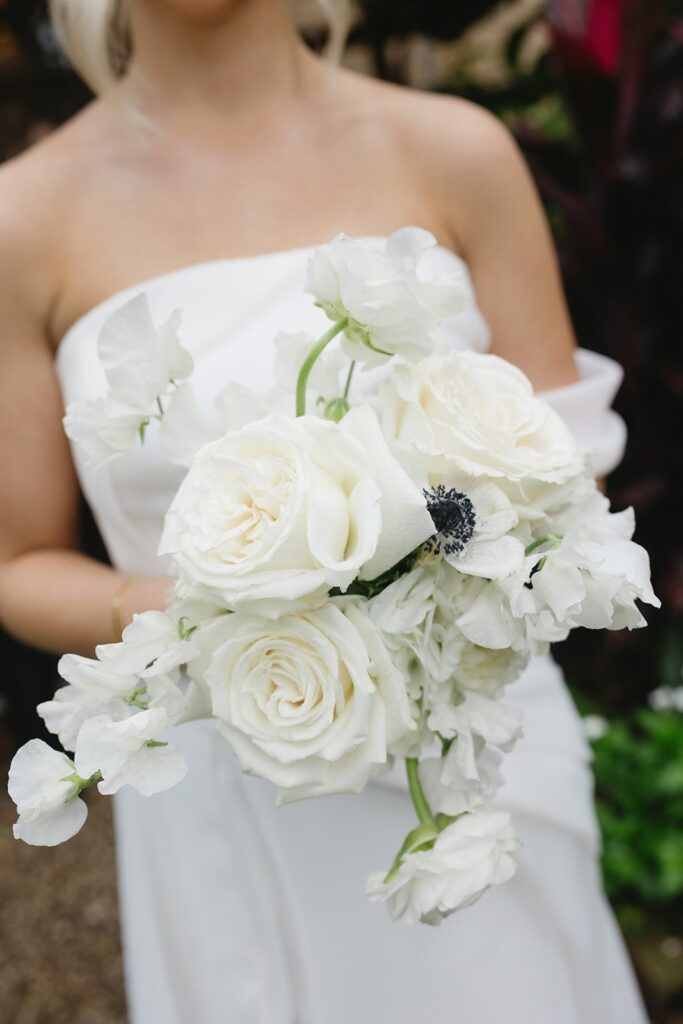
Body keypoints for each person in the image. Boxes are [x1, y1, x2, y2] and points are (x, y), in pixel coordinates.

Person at [0, 1, 648, 1021]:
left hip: (471, 767)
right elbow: (19, 560)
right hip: (235, 767)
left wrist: (420, 552)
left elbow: (564, 481)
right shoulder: (23, 218)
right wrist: (224, 609)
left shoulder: (454, 150)